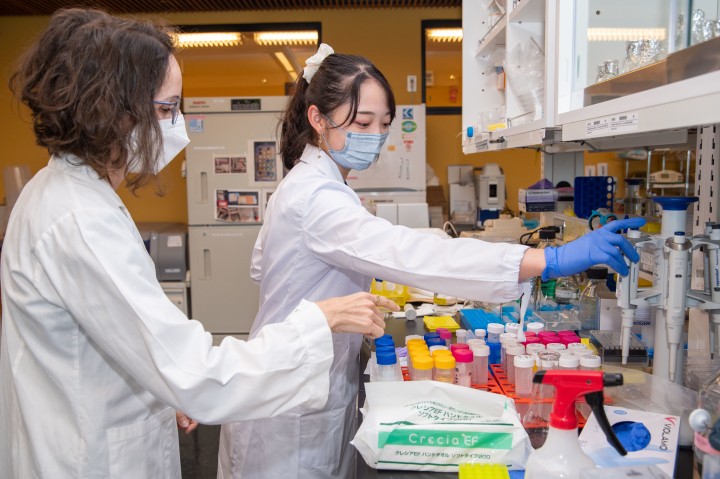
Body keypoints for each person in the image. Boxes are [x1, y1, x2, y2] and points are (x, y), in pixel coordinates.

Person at [217, 43, 645, 478]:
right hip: (292, 405)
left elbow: (266, 268)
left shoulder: (310, 184)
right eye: (363, 122)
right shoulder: (315, 196)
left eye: (383, 125)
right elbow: (404, 251)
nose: (375, 135)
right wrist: (545, 260)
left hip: (312, 382)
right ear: (317, 119)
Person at [0, 11, 397, 478]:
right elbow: (194, 370)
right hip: (90, 457)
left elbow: (120, 337)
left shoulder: (70, 194)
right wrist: (317, 321)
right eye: (167, 109)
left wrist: (160, 388)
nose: (179, 125)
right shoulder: (79, 219)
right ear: (112, 109)